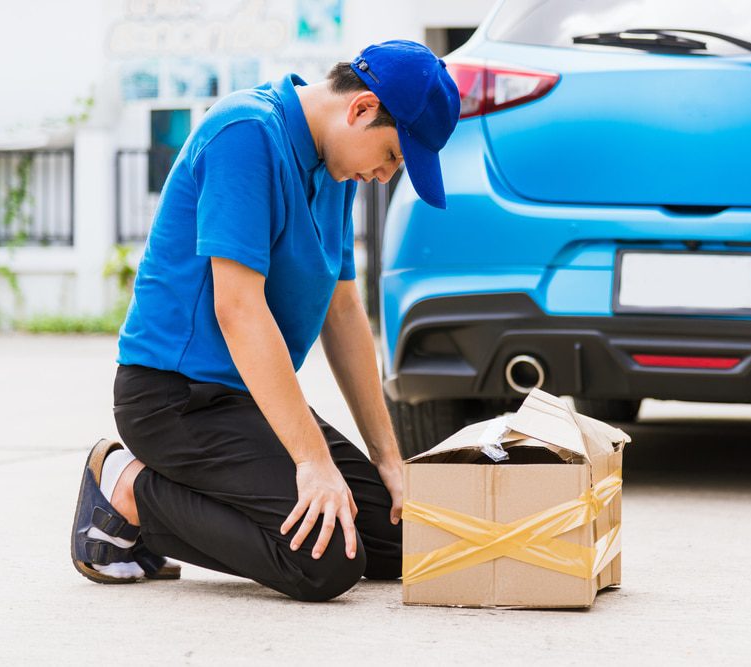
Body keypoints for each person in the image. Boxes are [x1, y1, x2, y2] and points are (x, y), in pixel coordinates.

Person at [69, 40, 461, 602]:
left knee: (399, 539)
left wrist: (388, 461)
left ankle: (197, 492)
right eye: (395, 156)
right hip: (175, 401)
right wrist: (311, 461)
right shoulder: (246, 133)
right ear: (362, 108)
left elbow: (344, 311)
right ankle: (127, 488)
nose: (385, 176)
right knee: (322, 563)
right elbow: (238, 308)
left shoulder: (336, 167)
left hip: (245, 399)